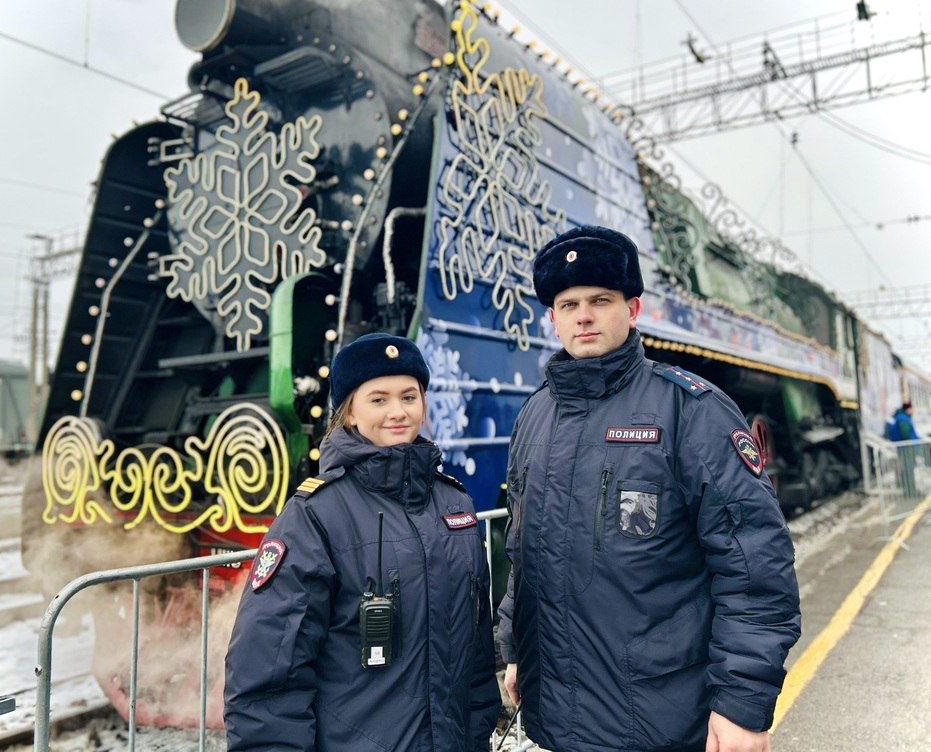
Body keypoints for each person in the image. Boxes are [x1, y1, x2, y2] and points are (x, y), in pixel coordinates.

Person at [497, 226, 801, 752]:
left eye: (600, 301)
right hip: (558, 716)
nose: (584, 316)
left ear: (633, 309)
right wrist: (516, 646)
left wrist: (742, 706)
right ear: (553, 318)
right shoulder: (535, 416)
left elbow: (755, 569)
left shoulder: (691, 411)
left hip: (662, 718)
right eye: (569, 305)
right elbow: (524, 553)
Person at [224, 332, 501, 752]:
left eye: (409, 397)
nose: (398, 412)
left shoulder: (455, 505)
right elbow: (268, 673)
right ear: (350, 412)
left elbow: (475, 653)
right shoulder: (314, 517)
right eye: (379, 399)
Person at [892, 401, 920, 496]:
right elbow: (905, 434)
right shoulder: (903, 419)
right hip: (907, 449)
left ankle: (910, 490)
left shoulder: (902, 418)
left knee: (908, 470)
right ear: (908, 409)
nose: (913, 411)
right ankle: (910, 491)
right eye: (912, 409)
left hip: (906, 448)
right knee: (909, 470)